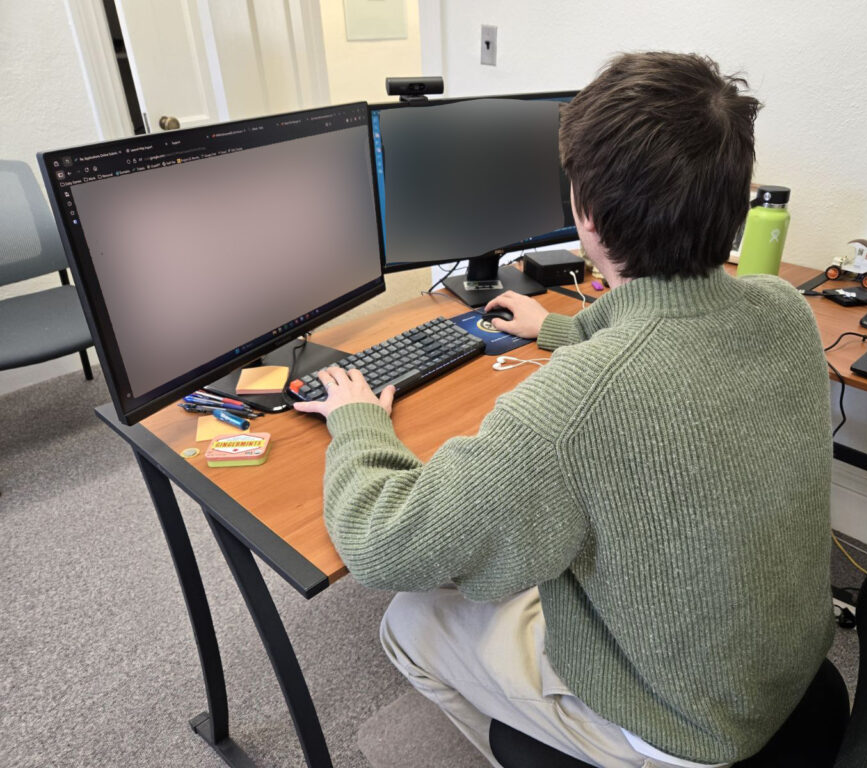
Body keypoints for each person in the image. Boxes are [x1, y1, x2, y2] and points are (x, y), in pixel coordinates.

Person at [294, 51, 834, 768]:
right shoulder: (784, 307)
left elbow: (384, 543)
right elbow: (667, 327)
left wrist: (357, 419)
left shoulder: (574, 406)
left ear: (584, 212)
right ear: (737, 196)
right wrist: (551, 328)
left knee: (407, 618)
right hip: (784, 672)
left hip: (686, 729)